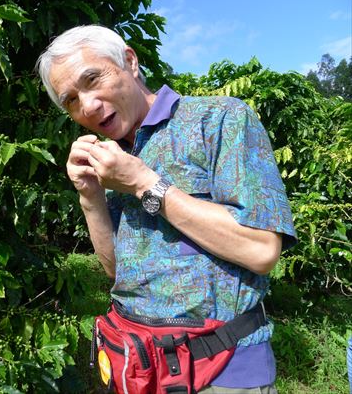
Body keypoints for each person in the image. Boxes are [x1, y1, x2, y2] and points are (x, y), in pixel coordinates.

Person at [36, 25, 296, 393]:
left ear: (130, 61)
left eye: (93, 79)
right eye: (71, 100)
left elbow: (261, 250)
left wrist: (144, 183)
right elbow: (118, 272)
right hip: (138, 365)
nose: (88, 106)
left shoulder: (219, 119)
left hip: (221, 370)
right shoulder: (114, 158)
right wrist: (90, 196)